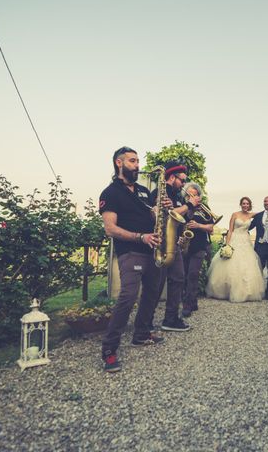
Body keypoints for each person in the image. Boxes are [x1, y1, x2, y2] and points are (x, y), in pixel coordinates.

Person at [99, 146, 165, 373]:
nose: (137, 165)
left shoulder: (144, 191)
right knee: (128, 296)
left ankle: (141, 333)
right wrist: (140, 237)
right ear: (119, 163)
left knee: (153, 292)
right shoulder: (110, 193)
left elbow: (150, 216)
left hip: (152, 251)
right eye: (132, 161)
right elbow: (110, 229)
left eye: (137, 161)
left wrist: (158, 212)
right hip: (131, 250)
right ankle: (109, 350)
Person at [149, 160, 201, 332]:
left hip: (173, 243)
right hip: (161, 242)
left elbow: (180, 216)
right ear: (172, 177)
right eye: (182, 180)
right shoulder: (160, 192)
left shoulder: (177, 196)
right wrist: (190, 205)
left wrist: (189, 208)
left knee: (178, 279)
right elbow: (164, 214)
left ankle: (170, 319)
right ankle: (145, 320)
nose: (184, 184)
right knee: (157, 283)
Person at [206, 197, 265, 302]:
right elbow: (230, 231)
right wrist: (227, 244)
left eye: (247, 204)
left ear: (250, 205)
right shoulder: (235, 215)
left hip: (246, 241)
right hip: (235, 239)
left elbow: (264, 212)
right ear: (240, 204)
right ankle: (226, 290)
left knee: (247, 265)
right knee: (230, 264)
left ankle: (247, 292)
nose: (245, 205)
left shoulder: (252, 215)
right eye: (243, 203)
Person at [181, 182, 214, 317]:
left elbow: (211, 228)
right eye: (190, 195)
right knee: (182, 276)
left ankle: (187, 305)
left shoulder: (204, 208)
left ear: (199, 196)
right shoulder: (182, 207)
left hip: (199, 245)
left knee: (193, 274)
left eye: (195, 194)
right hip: (183, 245)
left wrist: (198, 225)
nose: (193, 197)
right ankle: (192, 301)